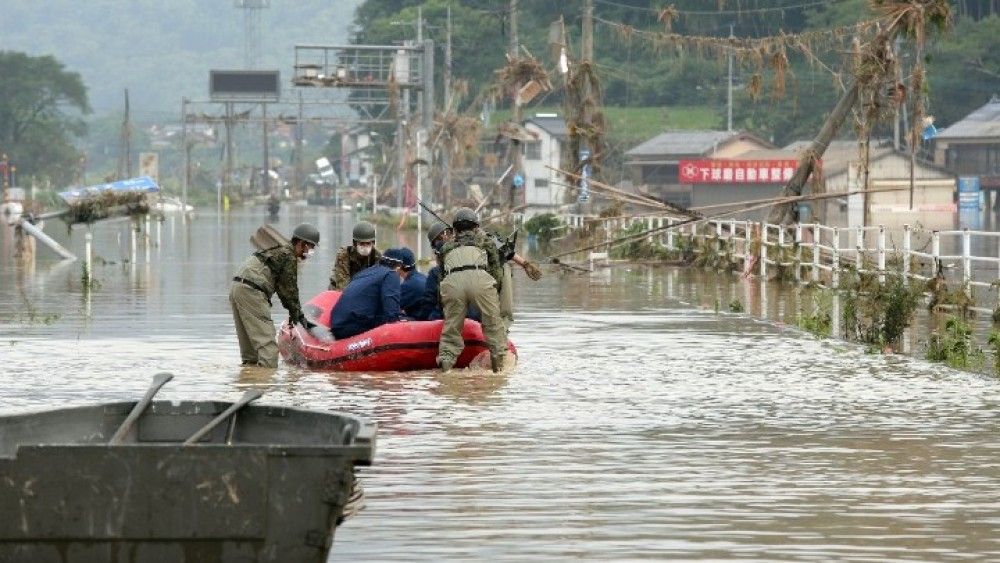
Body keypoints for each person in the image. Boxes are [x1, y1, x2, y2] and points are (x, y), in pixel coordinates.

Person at [230, 223, 319, 368]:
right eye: (311, 247)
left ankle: (248, 383)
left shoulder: (276, 251)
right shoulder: (289, 257)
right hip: (252, 291)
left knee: (251, 355)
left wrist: (295, 314)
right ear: (302, 244)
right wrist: (299, 316)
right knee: (269, 353)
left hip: (237, 288)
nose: (311, 252)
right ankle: (266, 384)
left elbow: (283, 290)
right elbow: (289, 292)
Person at [435, 207, 507, 373]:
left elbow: (441, 278)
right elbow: (496, 271)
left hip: (452, 283)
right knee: (493, 324)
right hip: (479, 278)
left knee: (452, 328)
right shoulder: (485, 242)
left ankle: (446, 365)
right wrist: (494, 293)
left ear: (454, 229)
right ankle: (499, 368)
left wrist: (442, 303)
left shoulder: (446, 247)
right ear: (476, 227)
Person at [330, 248, 406, 339]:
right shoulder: (391, 274)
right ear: (398, 267)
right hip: (353, 326)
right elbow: (391, 313)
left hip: (337, 324)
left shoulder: (366, 272)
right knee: (407, 319)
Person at [418, 222, 481, 322]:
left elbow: (428, 303)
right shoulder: (475, 262)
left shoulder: (436, 273)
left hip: (451, 320)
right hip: (476, 318)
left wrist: (420, 320)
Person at [329, 220, 381, 290]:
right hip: (341, 291)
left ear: (373, 243)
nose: (365, 247)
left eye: (368, 243)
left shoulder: (377, 256)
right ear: (354, 243)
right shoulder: (344, 254)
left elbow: (378, 280)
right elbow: (342, 283)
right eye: (362, 243)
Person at [395, 247, 430, 319]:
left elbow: (391, 307)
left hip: (421, 323)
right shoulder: (423, 277)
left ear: (399, 266)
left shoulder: (408, 286)